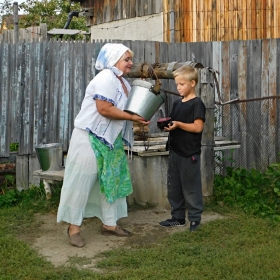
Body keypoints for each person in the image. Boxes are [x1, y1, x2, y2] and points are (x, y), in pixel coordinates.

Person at [57, 43, 149, 247]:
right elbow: (104, 109)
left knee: (111, 180)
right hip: (90, 136)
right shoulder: (106, 78)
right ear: (112, 60)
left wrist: (138, 114)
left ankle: (109, 224)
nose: (130, 63)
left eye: (130, 59)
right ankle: (73, 227)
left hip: (110, 138)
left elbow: (128, 106)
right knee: (81, 181)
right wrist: (132, 118)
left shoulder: (122, 82)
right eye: (126, 59)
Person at [159, 65, 206, 232]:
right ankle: (177, 217)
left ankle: (194, 219)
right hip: (175, 150)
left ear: (192, 83)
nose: (178, 87)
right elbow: (176, 123)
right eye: (177, 84)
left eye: (182, 84)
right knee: (174, 186)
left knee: (191, 187)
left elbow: (197, 127)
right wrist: (168, 125)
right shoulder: (178, 103)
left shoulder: (197, 103)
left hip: (189, 153)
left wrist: (178, 124)